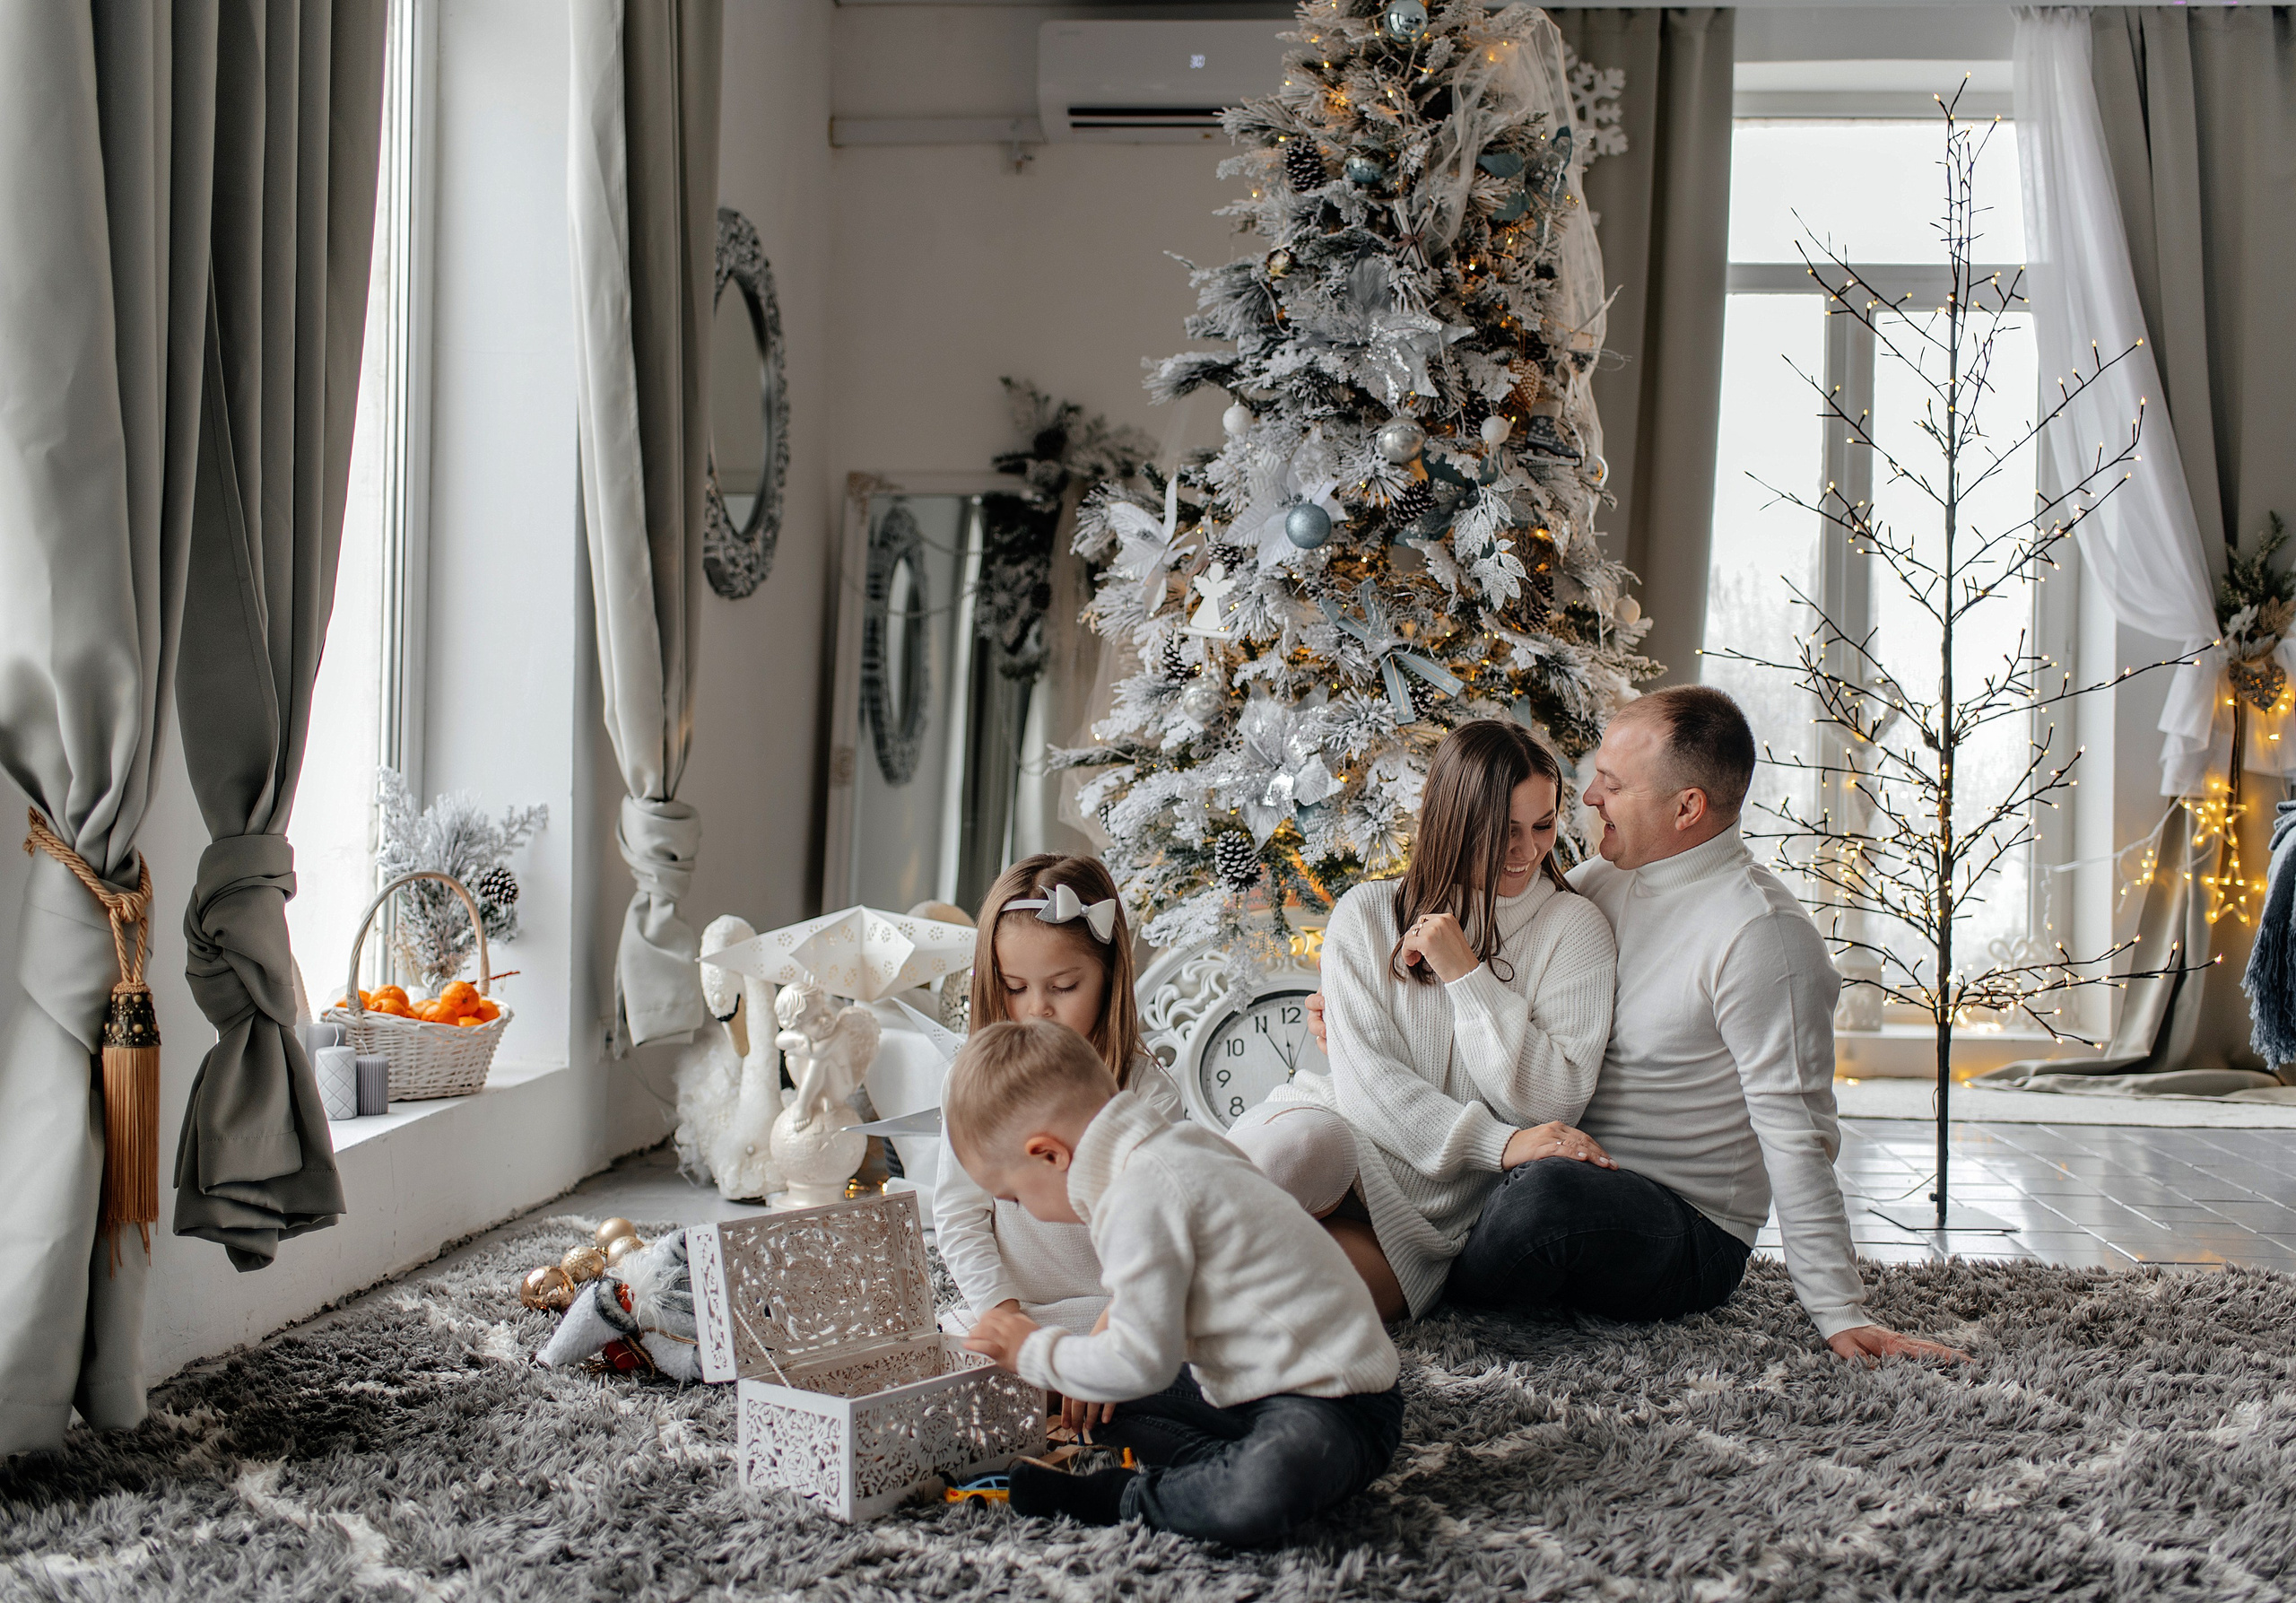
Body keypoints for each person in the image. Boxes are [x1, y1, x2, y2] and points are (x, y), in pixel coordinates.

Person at [1307, 688, 1961, 1363]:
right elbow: (1481, 993)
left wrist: (1837, 1308)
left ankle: (1398, 1265)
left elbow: (1799, 1133)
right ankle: (1345, 1245)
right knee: (1449, 1171)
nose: (1587, 798)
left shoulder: (1764, 938)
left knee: (1541, 1202)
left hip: (1683, 1224)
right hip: (1545, 1165)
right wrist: (1352, 1009)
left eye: (1613, 784)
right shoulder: (1599, 885)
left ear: (1687, 807)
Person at [951, 1019, 1402, 1546]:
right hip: (1248, 1383)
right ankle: (1216, 1472)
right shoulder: (1173, 1146)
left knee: (1260, 1489)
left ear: (1049, 1155)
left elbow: (1142, 1363)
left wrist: (1035, 1354)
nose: (1019, 1210)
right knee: (1100, 1405)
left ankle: (1122, 1498)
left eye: (1012, 1196)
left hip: (1338, 1403)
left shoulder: (1139, 1195)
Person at [1227, 719, 1618, 1321]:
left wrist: (1467, 976)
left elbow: (1552, 1099)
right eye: (1504, 831)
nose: (1527, 849)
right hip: (1342, 1140)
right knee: (1304, 1144)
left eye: (1543, 825)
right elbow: (1371, 1089)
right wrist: (1502, 1142)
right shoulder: (1365, 913)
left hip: (1430, 1222)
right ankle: (1116, 1309)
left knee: (1264, 1308)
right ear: (1454, 822)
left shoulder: (1576, 928)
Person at [934, 855, 1184, 1347]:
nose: (1036, 1008)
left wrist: (1109, 1339)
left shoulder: (1144, 1092)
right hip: (1018, 1307)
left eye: (1064, 987)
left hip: (1116, 1312)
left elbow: (1158, 1239)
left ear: (1108, 978)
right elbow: (960, 1214)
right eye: (1015, 988)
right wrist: (1004, 1316)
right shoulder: (968, 1083)